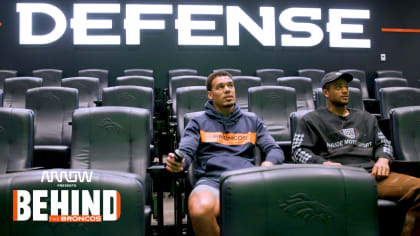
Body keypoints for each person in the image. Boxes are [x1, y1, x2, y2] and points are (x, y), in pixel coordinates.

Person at [292, 71, 420, 236]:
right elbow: (298, 151)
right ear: (325, 92)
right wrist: (322, 164)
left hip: (370, 176)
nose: (345, 91)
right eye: (338, 87)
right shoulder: (311, 119)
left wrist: (383, 159)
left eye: (346, 87)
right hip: (336, 179)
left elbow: (384, 143)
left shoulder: (367, 118)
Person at [166, 70, 284, 236]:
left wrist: (268, 163)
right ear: (210, 94)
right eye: (220, 87)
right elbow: (186, 151)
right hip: (212, 181)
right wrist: (179, 162)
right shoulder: (197, 123)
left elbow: (274, 149)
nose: (227, 90)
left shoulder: (252, 120)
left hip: (247, 180)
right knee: (200, 209)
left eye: (230, 85)